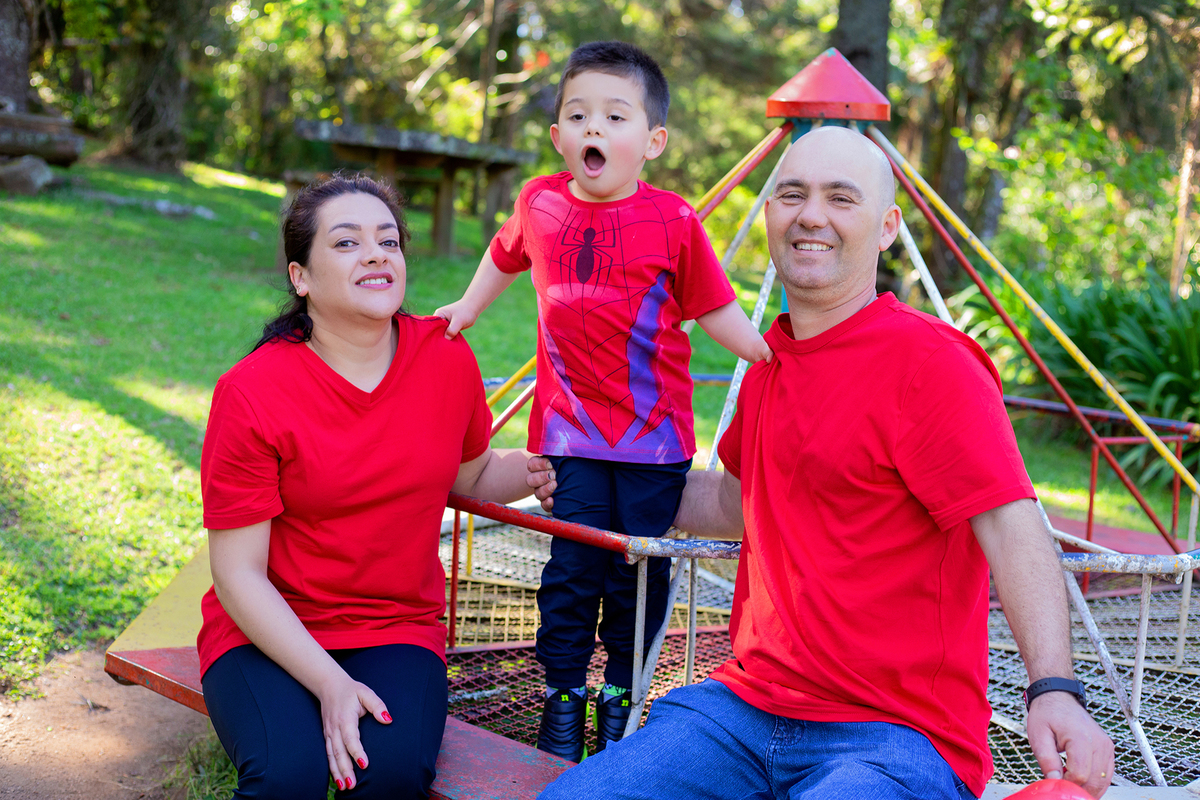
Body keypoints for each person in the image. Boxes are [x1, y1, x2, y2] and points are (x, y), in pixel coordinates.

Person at [535, 126, 1116, 799]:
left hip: (892, 732)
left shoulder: (932, 364)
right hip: (743, 708)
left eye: (841, 198)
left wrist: (1054, 688)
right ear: (770, 214)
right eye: (792, 194)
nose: (811, 215)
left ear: (887, 227)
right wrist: (591, 479)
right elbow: (729, 503)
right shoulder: (769, 365)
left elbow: (1011, 525)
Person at [434, 41, 772, 762]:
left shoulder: (674, 221)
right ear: (559, 135)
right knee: (572, 570)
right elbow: (503, 255)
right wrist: (466, 308)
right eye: (579, 114)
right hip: (569, 432)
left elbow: (714, 306)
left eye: (616, 116)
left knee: (637, 574)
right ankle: (561, 698)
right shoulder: (539, 202)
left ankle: (621, 697)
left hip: (654, 440)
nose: (595, 127)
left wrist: (767, 353)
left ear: (652, 142)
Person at [198, 174, 550, 799]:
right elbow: (238, 575)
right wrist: (329, 682)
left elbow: (469, 475)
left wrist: (542, 467)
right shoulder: (251, 392)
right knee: (287, 775)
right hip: (267, 626)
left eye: (388, 241)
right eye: (346, 243)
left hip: (395, 625)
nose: (375, 255)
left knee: (387, 776)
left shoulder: (445, 356)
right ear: (300, 277)